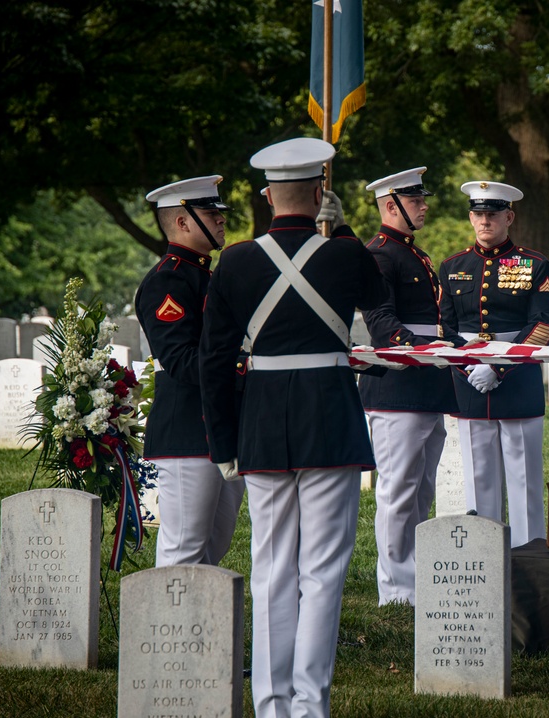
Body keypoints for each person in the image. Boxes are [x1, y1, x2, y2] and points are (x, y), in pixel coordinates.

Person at [199, 137, 387, 718]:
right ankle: (310, 705)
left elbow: (213, 360)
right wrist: (346, 230)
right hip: (328, 421)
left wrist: (223, 442)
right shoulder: (344, 254)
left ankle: (271, 704)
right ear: (319, 192)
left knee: (272, 569)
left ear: (266, 197)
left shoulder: (232, 260)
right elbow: (381, 296)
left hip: (261, 427)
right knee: (323, 572)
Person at [358, 167, 460, 606]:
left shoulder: (412, 254)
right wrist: (426, 347)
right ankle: (396, 588)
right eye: (415, 200)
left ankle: (415, 578)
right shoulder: (380, 255)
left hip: (426, 382)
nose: (424, 205)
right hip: (399, 386)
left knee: (422, 488)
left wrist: (454, 345)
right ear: (390, 206)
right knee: (398, 490)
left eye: (422, 198)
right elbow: (382, 324)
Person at [438, 181, 549, 547]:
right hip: (469, 380)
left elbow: (541, 325)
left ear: (509, 217)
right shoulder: (453, 265)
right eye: (478, 214)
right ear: (471, 217)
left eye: (492, 214)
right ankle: (485, 562)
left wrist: (501, 365)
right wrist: (468, 365)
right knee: (479, 481)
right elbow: (444, 326)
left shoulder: (533, 264)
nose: (484, 221)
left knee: (525, 484)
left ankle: (529, 559)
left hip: (517, 379)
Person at [136, 175, 244, 568]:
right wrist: (244, 366)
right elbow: (180, 359)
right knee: (183, 548)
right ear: (182, 222)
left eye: (218, 212)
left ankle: (199, 629)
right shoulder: (169, 279)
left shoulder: (206, 276)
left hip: (219, 427)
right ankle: (162, 628)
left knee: (213, 546)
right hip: (187, 429)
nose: (220, 220)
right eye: (210, 213)